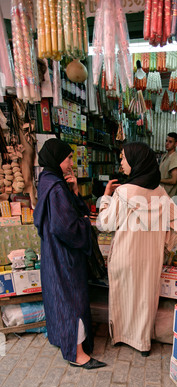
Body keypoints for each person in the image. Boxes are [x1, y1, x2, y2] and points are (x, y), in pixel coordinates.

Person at [98, 142, 177, 356]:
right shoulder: (160, 193)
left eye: (123, 158)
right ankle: (142, 343)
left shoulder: (124, 192)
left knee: (122, 295)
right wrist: (166, 243)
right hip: (151, 258)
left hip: (125, 255)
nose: (121, 162)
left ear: (136, 161)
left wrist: (106, 197)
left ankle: (120, 337)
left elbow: (105, 224)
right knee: (145, 298)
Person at [33, 138, 106, 369]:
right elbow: (65, 226)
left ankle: (61, 338)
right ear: (58, 159)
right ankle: (76, 354)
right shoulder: (55, 188)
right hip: (64, 254)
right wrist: (85, 223)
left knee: (58, 296)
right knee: (71, 298)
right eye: (68, 158)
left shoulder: (48, 180)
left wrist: (73, 190)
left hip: (53, 252)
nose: (71, 162)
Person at [159, 132, 177, 197]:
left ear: (175, 144)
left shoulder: (174, 157)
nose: (167, 143)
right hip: (161, 195)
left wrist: (158, 180)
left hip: (169, 197)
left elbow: (174, 180)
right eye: (166, 141)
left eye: (170, 142)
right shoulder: (165, 156)